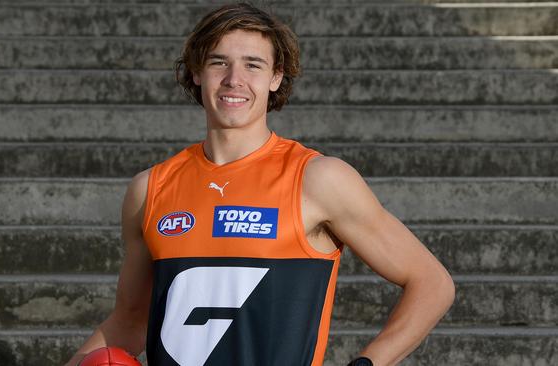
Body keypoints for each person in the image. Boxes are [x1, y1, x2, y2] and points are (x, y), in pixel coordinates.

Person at [66, 3, 455, 366]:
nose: (234, 80)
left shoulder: (318, 179)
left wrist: (366, 363)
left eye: (253, 65)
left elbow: (431, 283)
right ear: (197, 71)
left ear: (275, 78)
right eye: (219, 62)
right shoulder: (149, 189)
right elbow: (129, 320)